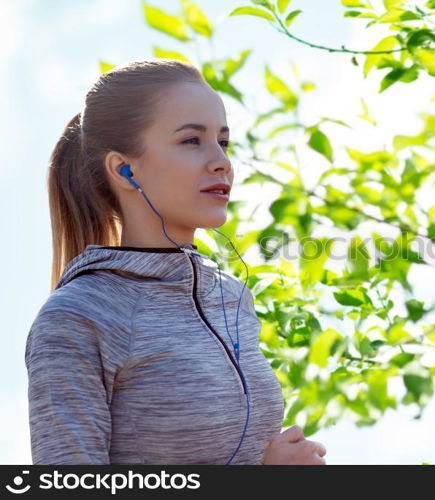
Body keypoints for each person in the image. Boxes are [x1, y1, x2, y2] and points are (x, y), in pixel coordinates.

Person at [25, 59, 326, 465]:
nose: (221, 161)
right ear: (125, 170)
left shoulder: (232, 298)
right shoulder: (79, 316)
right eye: (191, 141)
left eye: (224, 141)